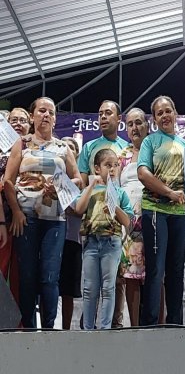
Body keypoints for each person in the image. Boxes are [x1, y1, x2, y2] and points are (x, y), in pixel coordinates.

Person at [4, 97, 82, 328]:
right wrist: (16, 212)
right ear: (33, 116)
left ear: (55, 119)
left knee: (49, 277)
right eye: (41, 111)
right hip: (25, 219)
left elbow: (77, 178)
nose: (46, 115)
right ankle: (28, 328)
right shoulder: (22, 144)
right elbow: (8, 181)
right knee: (27, 276)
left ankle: (49, 329)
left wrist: (62, 185)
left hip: (55, 220)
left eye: (50, 112)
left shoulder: (63, 148)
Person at [137, 95, 185, 326]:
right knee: (156, 270)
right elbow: (143, 174)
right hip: (155, 210)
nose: (165, 115)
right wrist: (169, 193)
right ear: (154, 119)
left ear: (175, 114)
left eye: (168, 111)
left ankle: (175, 324)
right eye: (159, 113)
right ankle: (150, 324)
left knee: (177, 270)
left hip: (180, 214)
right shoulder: (150, 142)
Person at [75, 149, 133, 330]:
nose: (113, 169)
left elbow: (127, 222)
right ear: (97, 168)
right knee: (90, 288)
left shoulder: (120, 192)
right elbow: (78, 209)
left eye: (116, 165)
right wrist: (91, 186)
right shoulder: (89, 191)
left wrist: (114, 209)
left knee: (108, 287)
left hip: (111, 243)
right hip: (91, 243)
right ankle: (88, 328)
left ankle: (105, 328)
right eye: (108, 165)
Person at [113, 108, 152, 327]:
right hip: (129, 225)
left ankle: (157, 324)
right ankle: (135, 328)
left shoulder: (155, 149)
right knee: (131, 276)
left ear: (147, 125)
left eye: (139, 123)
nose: (135, 128)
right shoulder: (122, 156)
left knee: (157, 276)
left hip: (155, 219)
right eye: (130, 124)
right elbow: (115, 191)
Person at [0, 107, 31, 304]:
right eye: (14, 120)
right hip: (4, 218)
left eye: (23, 120)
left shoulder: (36, 150)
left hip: (28, 220)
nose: (18, 123)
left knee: (22, 275)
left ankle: (19, 325)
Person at [58, 136, 83, 330]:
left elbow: (81, 209)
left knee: (68, 291)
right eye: (63, 147)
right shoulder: (50, 177)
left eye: (71, 148)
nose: (67, 151)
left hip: (72, 241)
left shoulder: (80, 184)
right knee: (47, 285)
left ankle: (66, 329)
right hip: (51, 237)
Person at [77, 100, 129, 186]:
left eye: (108, 113)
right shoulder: (88, 147)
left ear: (119, 118)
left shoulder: (128, 148)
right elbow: (82, 185)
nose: (103, 117)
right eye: (100, 114)